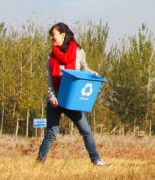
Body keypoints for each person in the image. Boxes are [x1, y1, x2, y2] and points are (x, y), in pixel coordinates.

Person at [37, 22, 109, 167]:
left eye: (53, 35)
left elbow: (84, 68)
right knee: (51, 133)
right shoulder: (50, 57)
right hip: (56, 100)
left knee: (86, 131)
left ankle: (96, 160)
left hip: (71, 99)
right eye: (51, 36)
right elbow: (51, 81)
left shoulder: (78, 52)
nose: (51, 38)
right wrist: (52, 98)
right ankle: (39, 163)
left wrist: (92, 73)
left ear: (63, 35)